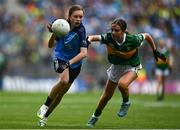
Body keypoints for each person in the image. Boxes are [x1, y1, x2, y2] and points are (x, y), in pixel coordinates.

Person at [86, 18, 166, 127]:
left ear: (123, 30)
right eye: (112, 30)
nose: (113, 32)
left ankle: (126, 102)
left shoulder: (133, 39)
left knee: (122, 85)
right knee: (106, 96)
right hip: (116, 67)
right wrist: (88, 40)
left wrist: (154, 51)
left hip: (132, 66)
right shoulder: (109, 37)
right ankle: (95, 116)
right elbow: (93, 37)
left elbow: (147, 36)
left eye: (117, 30)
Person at [37, 5, 88, 127]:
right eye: (75, 16)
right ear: (69, 17)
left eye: (80, 17)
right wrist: (54, 33)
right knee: (64, 81)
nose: (78, 19)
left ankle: (45, 117)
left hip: (75, 63)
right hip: (60, 57)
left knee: (61, 93)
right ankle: (45, 105)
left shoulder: (81, 30)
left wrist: (70, 63)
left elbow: (84, 53)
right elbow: (50, 45)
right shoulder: (60, 25)